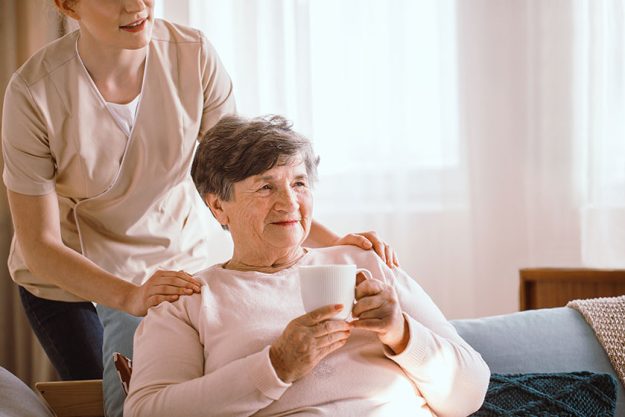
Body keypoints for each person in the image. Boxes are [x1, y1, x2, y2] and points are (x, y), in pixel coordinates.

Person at [1, 0, 397, 383]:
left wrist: (335, 243)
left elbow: (246, 178)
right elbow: (39, 246)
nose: (136, 6)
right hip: (73, 282)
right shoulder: (33, 93)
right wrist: (131, 297)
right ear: (69, 6)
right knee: (111, 400)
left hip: (172, 270)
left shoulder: (193, 56)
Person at [124, 115, 490, 417]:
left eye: (299, 183)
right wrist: (276, 366)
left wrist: (401, 332)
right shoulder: (187, 301)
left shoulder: (365, 263)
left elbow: (470, 392)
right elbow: (146, 411)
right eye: (265, 188)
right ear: (219, 207)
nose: (290, 203)